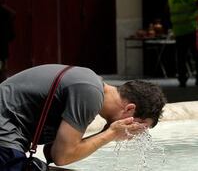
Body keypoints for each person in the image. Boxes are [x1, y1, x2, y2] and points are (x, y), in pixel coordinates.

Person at [0, 64, 167, 169]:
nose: (134, 133)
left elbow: (51, 152)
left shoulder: (91, 87)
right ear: (130, 109)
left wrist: (106, 133)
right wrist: (111, 134)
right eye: (139, 126)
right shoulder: (90, 92)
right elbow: (62, 157)